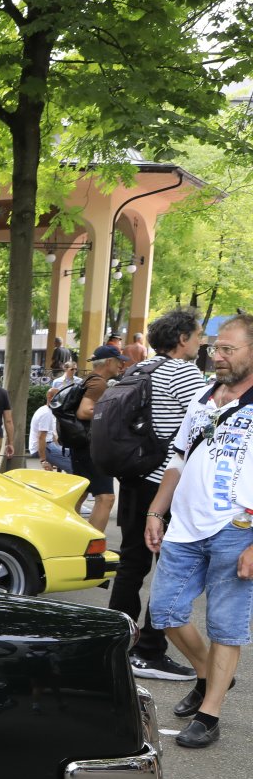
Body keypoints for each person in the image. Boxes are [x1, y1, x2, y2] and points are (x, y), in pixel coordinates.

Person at [144, 312, 253, 748]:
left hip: (237, 528)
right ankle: (210, 675)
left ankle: (210, 714)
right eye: (215, 348)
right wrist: (156, 511)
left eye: (228, 349)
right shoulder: (203, 398)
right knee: (164, 612)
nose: (217, 356)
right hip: (185, 527)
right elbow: (177, 459)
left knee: (226, 626)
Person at [110, 307, 208, 682]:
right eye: (198, 336)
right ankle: (150, 651)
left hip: (133, 476)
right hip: (164, 483)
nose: (201, 342)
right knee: (167, 568)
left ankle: (116, 643)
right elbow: (208, 423)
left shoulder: (140, 369)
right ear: (182, 338)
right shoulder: (185, 372)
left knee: (131, 564)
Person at [73, 344, 125, 533]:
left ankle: (72, 539)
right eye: (119, 361)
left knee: (79, 494)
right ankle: (92, 545)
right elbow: (84, 411)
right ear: (109, 362)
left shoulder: (88, 380)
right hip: (93, 447)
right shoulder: (98, 383)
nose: (121, 365)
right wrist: (114, 410)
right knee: (106, 498)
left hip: (83, 446)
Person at [30, 401, 70, 473]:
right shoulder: (46, 414)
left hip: (49, 445)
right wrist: (43, 461)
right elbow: (41, 437)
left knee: (70, 453)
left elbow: (51, 434)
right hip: (45, 447)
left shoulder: (47, 411)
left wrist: (59, 447)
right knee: (72, 467)